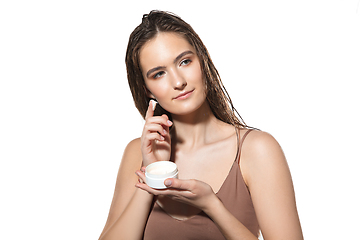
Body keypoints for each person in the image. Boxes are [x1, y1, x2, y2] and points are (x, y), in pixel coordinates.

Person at [99, 10, 303, 240]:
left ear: (202, 60)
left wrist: (213, 206)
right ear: (147, 89)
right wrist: (152, 174)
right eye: (158, 74)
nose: (178, 81)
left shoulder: (257, 150)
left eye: (184, 61)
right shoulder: (137, 152)